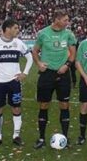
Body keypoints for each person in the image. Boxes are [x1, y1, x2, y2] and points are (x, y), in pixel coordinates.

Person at [0, 19, 33, 147]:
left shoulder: (18, 43)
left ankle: (16, 136)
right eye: (15, 28)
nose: (17, 30)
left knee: (16, 107)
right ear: (7, 29)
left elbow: (29, 58)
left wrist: (24, 73)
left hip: (14, 82)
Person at [32, 10, 77, 149]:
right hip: (47, 75)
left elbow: (73, 53)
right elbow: (35, 51)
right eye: (65, 20)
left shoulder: (68, 34)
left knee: (64, 105)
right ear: (57, 19)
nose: (67, 22)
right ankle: (41, 138)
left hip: (63, 74)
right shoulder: (43, 33)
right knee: (44, 105)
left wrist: (67, 65)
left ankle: (65, 136)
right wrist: (39, 64)